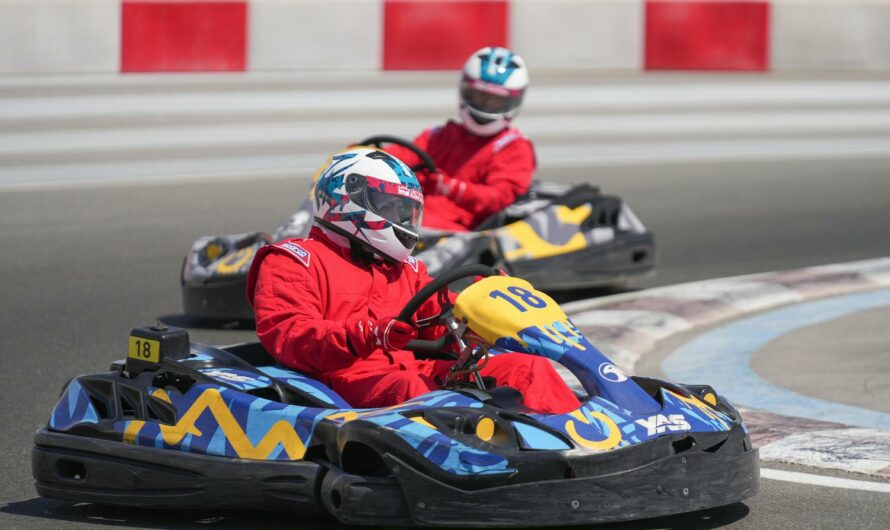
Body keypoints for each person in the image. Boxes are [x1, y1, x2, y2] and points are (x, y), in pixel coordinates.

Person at [246, 147, 579, 414]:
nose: (402, 220)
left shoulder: (403, 269)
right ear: (348, 199)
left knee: (527, 368)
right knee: (416, 393)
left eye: (405, 212)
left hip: (414, 372)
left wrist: (484, 308)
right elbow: (289, 337)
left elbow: (442, 321)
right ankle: (480, 464)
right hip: (341, 387)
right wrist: (367, 334)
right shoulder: (292, 259)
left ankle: (580, 448)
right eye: (391, 208)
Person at [385, 46, 536, 232]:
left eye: (495, 101)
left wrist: (452, 188)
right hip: (409, 216)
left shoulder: (514, 148)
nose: (485, 105)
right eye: (479, 97)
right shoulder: (442, 135)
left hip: (455, 237)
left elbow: (498, 199)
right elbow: (401, 156)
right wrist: (365, 153)